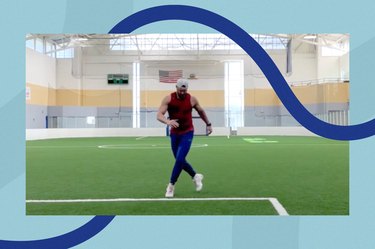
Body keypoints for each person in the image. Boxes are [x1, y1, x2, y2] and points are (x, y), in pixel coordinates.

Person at [157, 78, 212, 198]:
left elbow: (201, 111)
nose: (182, 93)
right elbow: (159, 115)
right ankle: (195, 176)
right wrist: (167, 121)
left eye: (185, 90)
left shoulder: (192, 99)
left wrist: (208, 124)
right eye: (180, 90)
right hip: (175, 134)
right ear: (176, 88)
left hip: (187, 132)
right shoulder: (168, 98)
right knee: (179, 159)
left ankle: (171, 185)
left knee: (180, 159)